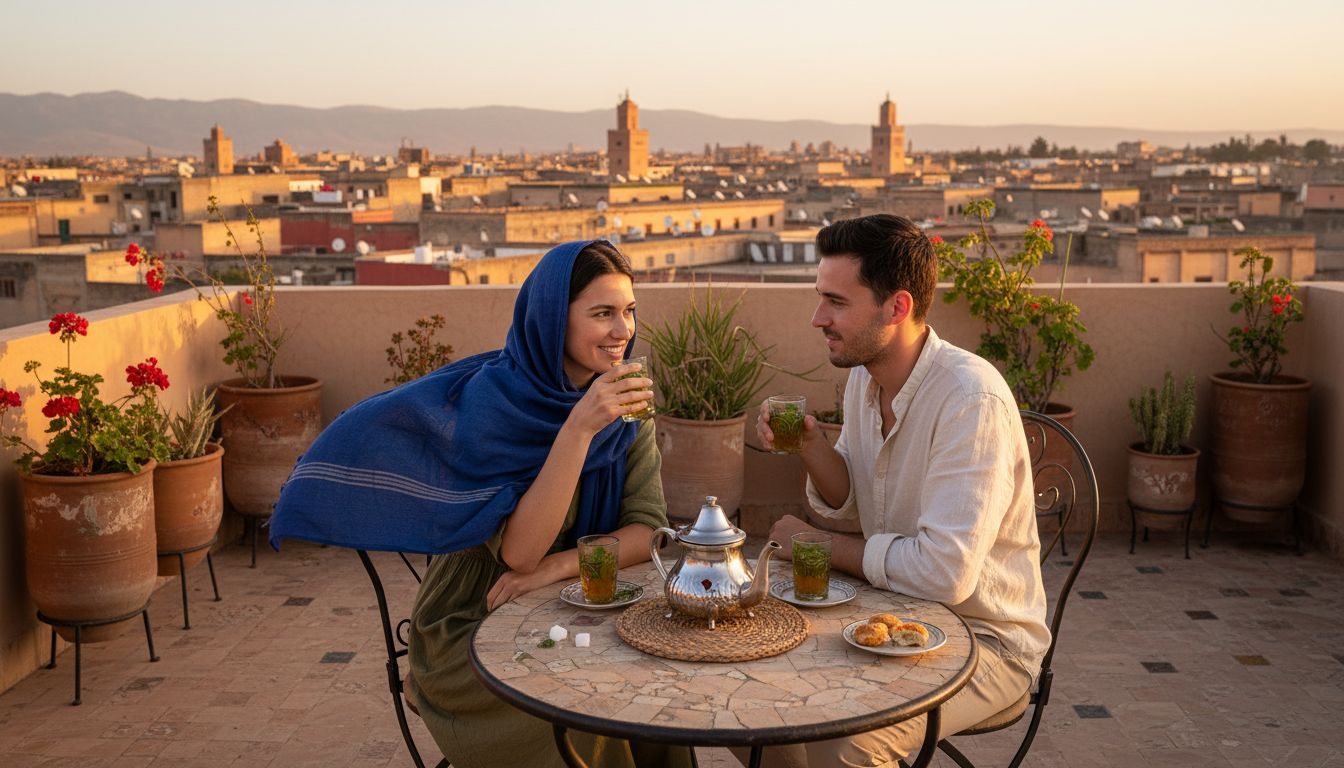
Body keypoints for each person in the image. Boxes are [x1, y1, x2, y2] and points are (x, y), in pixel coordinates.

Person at [270, 240, 691, 768]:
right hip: (475, 622)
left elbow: (646, 529)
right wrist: (580, 425)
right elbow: (519, 555)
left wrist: (557, 570)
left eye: (629, 311)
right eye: (601, 313)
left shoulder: (626, 403)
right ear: (551, 319)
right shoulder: (497, 406)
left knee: (658, 690)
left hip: (581, 602)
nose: (622, 330)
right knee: (580, 711)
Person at [748, 215, 1050, 768]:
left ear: (898, 307)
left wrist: (817, 545)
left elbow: (944, 573)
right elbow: (861, 504)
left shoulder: (969, 400)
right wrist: (813, 446)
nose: (818, 318)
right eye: (821, 298)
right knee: (758, 714)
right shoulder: (867, 377)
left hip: (985, 642)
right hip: (891, 615)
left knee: (847, 745)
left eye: (836, 302)